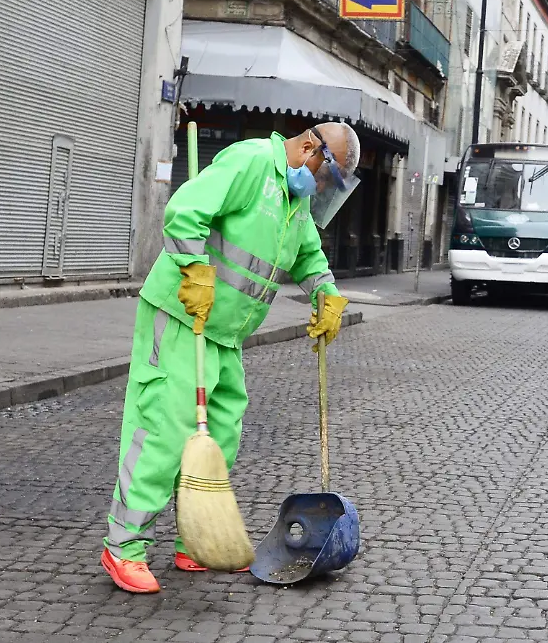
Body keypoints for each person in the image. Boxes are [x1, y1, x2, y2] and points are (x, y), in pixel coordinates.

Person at [100, 123, 361, 594]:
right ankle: (124, 547)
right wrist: (195, 268)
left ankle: (197, 539)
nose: (322, 188)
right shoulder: (252, 162)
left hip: (224, 333)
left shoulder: (293, 200)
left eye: (331, 186)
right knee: (162, 430)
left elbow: (306, 254)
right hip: (183, 317)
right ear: (309, 147)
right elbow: (184, 211)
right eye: (326, 177)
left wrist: (326, 292)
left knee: (220, 435)